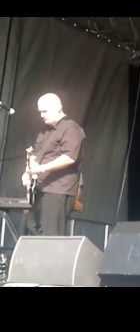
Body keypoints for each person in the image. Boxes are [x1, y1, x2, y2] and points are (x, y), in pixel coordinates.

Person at [22, 93, 86, 236]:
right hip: (40, 188)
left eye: (44, 111)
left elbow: (69, 157)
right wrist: (27, 172)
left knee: (51, 234)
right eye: (40, 112)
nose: (41, 115)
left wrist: (41, 168)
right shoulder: (44, 131)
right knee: (33, 228)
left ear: (58, 108)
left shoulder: (71, 128)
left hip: (58, 190)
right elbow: (36, 154)